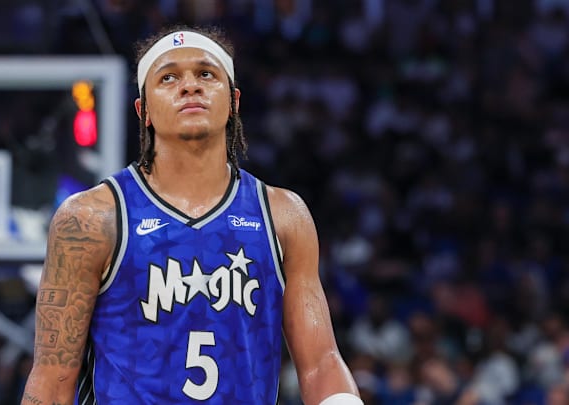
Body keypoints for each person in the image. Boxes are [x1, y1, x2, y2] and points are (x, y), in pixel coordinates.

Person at [21, 25, 361, 405]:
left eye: (206, 74)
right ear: (143, 110)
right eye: (168, 78)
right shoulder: (91, 218)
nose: (189, 86)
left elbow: (320, 364)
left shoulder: (283, 215)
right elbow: (52, 378)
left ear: (233, 101)